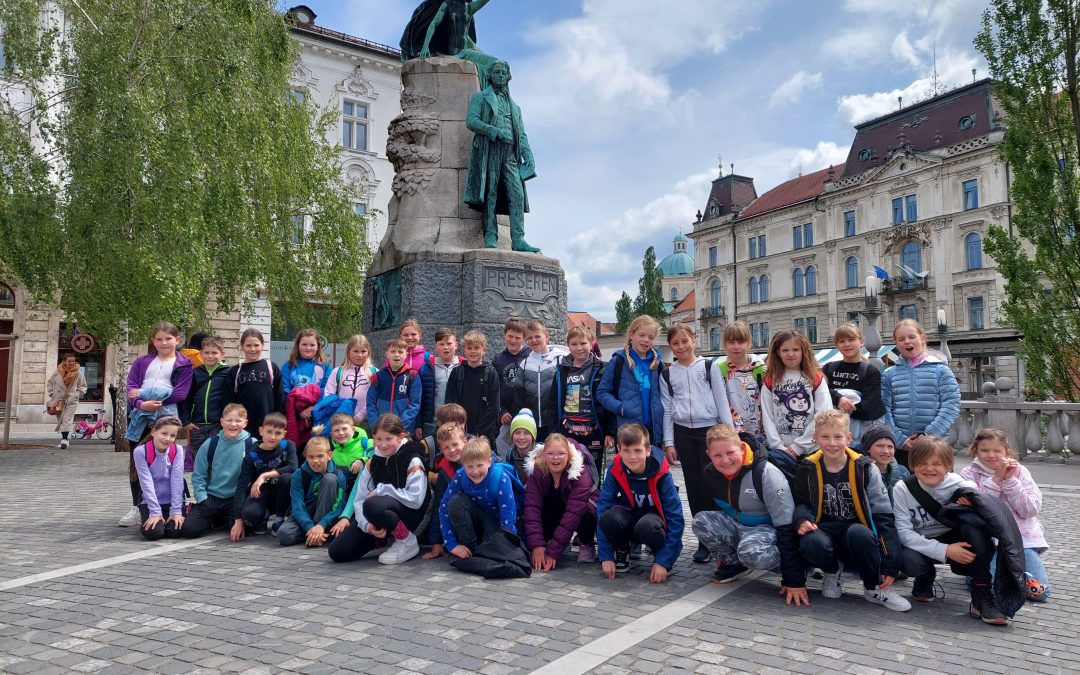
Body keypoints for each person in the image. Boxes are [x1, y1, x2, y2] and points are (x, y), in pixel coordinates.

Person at [793, 410, 909, 611]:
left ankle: (873, 586)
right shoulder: (807, 467)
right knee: (811, 541)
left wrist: (891, 563)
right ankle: (831, 572)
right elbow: (800, 502)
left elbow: (883, 516)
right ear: (815, 438)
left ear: (848, 438)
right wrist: (801, 518)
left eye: (838, 437)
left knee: (861, 534)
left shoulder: (865, 468)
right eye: (825, 437)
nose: (832, 443)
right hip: (824, 528)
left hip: (854, 530)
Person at [893, 436, 1010, 624]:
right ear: (913, 464)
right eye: (922, 463)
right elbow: (903, 532)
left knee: (975, 527)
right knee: (908, 561)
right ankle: (925, 575)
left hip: (958, 540)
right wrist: (945, 551)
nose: (929, 469)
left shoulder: (961, 484)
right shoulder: (903, 488)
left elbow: (991, 516)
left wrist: (973, 504)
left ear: (948, 465)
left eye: (937, 463)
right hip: (924, 544)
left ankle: (981, 593)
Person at [691, 425, 806, 603]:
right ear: (708, 455)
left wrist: (794, 579)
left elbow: (786, 526)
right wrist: (722, 552)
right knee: (701, 521)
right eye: (717, 456)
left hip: (769, 529)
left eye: (730, 452)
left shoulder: (767, 474)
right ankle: (734, 564)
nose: (725, 460)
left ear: (743, 448)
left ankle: (796, 565)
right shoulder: (710, 473)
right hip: (738, 525)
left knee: (750, 553)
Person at [660, 325, 734, 564]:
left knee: (714, 485)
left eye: (685, 341)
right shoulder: (668, 374)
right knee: (694, 488)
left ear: (693, 340)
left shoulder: (708, 367)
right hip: (683, 433)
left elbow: (721, 400)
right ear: (670, 346)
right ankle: (704, 540)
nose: (681, 347)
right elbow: (668, 409)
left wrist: (730, 434)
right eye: (675, 343)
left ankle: (723, 539)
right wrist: (669, 442)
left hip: (709, 430)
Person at [960, 428, 1049, 601]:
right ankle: (990, 574)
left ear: (1006, 452)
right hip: (989, 541)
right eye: (984, 450)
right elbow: (981, 507)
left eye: (997, 451)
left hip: (1022, 540)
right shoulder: (968, 474)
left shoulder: (1020, 472)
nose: (991, 455)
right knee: (990, 587)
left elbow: (1029, 509)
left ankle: (1016, 572)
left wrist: (1009, 481)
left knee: (1040, 592)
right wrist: (996, 479)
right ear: (975, 451)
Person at [327, 414, 431, 564]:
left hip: (410, 515)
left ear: (400, 437)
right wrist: (368, 526)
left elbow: (415, 500)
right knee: (337, 552)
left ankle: (406, 541)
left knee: (373, 504)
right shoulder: (373, 461)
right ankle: (381, 540)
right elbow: (359, 500)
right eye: (378, 439)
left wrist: (382, 490)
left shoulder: (413, 459)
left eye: (388, 439)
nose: (383, 445)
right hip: (379, 515)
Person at [119, 321, 194, 528]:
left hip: (166, 417)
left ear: (177, 340)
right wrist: (141, 403)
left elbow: (180, 393)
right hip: (141, 416)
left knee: (168, 462)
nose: (164, 343)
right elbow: (130, 389)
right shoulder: (142, 362)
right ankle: (137, 506)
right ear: (153, 341)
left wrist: (145, 395)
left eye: (168, 339)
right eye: (159, 339)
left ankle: (170, 504)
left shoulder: (184, 364)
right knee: (137, 462)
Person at [464, 60, 540, 252]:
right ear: (490, 75)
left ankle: (518, 239)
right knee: (490, 193)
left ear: (508, 77)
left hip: (510, 154)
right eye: (496, 72)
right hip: (490, 149)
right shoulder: (480, 97)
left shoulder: (515, 107)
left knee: (517, 195)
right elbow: (471, 121)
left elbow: (521, 135)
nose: (499, 75)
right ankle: (490, 235)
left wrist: (529, 157)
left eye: (503, 73)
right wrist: (493, 131)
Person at [597, 423, 683, 584]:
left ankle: (659, 553)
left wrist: (664, 561)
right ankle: (622, 549)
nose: (632, 457)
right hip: (630, 517)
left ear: (648, 450)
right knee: (608, 517)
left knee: (647, 525)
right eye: (626, 451)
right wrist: (606, 556)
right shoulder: (615, 469)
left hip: (653, 522)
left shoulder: (662, 474)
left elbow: (676, 517)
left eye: (638, 450)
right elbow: (603, 507)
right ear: (619, 449)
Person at [881, 319, 961, 468]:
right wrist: (900, 439)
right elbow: (884, 408)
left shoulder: (941, 371)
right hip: (900, 448)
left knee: (936, 486)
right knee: (902, 488)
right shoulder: (889, 374)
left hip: (934, 445)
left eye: (911, 337)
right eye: (901, 339)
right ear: (896, 343)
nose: (907, 341)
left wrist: (928, 435)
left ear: (922, 338)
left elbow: (951, 405)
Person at [760, 330, 831, 477]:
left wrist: (797, 448)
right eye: (785, 350)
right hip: (780, 451)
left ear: (803, 351)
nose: (790, 354)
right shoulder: (771, 379)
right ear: (778, 352)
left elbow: (823, 415)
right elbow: (767, 415)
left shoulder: (815, 377)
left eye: (795, 349)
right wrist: (778, 447)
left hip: (811, 449)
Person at [524, 433, 598, 569]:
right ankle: (552, 540)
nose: (556, 458)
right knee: (539, 510)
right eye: (550, 454)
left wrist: (553, 552)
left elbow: (573, 513)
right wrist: (537, 545)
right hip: (557, 509)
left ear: (569, 455)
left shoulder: (580, 471)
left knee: (585, 511)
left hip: (581, 511)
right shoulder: (537, 471)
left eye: (561, 454)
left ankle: (587, 542)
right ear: (543, 455)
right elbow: (531, 508)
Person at [181, 404, 254, 538]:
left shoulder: (252, 444)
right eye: (229, 420)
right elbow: (198, 475)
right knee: (189, 530)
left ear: (245, 423)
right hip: (212, 497)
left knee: (244, 532)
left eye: (238, 421)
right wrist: (202, 498)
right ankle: (216, 518)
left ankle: (224, 519)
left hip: (237, 498)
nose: (233, 424)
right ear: (221, 422)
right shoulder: (210, 444)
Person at [439, 437, 519, 558]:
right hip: (477, 517)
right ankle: (470, 549)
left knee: (494, 552)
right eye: (469, 467)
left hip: (496, 521)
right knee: (455, 502)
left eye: (479, 465)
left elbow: (508, 517)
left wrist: (507, 546)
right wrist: (451, 544)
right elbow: (444, 506)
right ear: (463, 465)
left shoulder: (501, 478)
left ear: (489, 462)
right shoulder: (461, 475)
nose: (475, 471)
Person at [553, 325, 614, 477]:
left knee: (594, 471)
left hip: (594, 429)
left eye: (583, 343)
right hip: (568, 428)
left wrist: (610, 431)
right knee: (569, 470)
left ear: (592, 344)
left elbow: (609, 402)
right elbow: (553, 403)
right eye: (574, 344)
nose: (579, 348)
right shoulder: (561, 371)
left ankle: (593, 500)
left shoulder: (602, 369)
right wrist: (554, 431)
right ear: (568, 345)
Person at [597, 315, 665, 446]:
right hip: (628, 429)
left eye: (650, 337)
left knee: (652, 466)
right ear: (631, 335)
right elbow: (602, 392)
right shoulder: (618, 362)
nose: (646, 340)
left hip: (653, 429)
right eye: (642, 335)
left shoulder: (657, 364)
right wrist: (620, 408)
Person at [230, 412, 298, 541]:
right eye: (269, 431)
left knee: (287, 477)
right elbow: (241, 487)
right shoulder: (251, 455)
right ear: (261, 431)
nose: (273, 436)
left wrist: (264, 476)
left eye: (278, 433)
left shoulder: (287, 446)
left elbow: (293, 467)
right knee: (249, 514)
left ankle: (279, 518)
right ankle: (263, 516)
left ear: (284, 434)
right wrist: (238, 520)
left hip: (283, 492)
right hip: (263, 493)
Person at [822, 323, 885, 446]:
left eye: (851, 339)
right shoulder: (829, 368)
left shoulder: (871, 371)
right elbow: (819, 392)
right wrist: (839, 399)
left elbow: (869, 408)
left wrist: (837, 405)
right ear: (836, 345)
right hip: (833, 433)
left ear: (861, 342)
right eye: (842, 341)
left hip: (860, 434)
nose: (846, 344)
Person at [278, 436, 347, 548]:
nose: (315, 461)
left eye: (320, 456)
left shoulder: (339, 475)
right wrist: (310, 527)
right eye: (311, 457)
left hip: (327, 516)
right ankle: (316, 535)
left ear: (330, 455)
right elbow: (297, 506)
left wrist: (321, 524)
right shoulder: (299, 474)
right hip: (306, 514)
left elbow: (339, 505)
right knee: (284, 534)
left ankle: (318, 532)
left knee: (330, 479)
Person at [179, 336, 230, 472]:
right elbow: (186, 399)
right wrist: (186, 421)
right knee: (198, 463)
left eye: (214, 353)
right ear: (201, 354)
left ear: (222, 354)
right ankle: (200, 492)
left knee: (216, 462)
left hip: (217, 425)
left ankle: (214, 492)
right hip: (197, 425)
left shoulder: (227, 373)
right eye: (206, 352)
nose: (210, 356)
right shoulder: (195, 373)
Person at [132, 416, 186, 541]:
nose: (168, 439)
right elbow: (146, 482)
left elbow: (177, 480)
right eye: (164, 433)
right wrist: (155, 512)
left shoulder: (177, 450)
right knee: (153, 533)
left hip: (172, 502)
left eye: (172, 435)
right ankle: (148, 517)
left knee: (176, 531)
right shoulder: (140, 452)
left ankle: (171, 517)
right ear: (153, 431)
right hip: (150, 502)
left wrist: (176, 511)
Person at [444, 330, 500, 450]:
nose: (473, 351)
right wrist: (457, 427)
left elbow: (494, 406)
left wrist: (479, 431)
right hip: (459, 431)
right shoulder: (457, 372)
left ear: (484, 349)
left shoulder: (491, 373)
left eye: (476, 348)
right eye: (469, 348)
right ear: (464, 350)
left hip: (484, 433)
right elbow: (449, 403)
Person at [514, 320, 568, 443]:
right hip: (532, 422)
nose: (534, 340)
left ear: (546, 336)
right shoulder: (525, 363)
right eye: (530, 338)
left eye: (537, 336)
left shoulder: (560, 359)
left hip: (554, 421)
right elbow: (518, 395)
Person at [226, 329, 284, 437]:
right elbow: (228, 400)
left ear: (262, 345)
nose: (253, 349)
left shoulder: (271, 367)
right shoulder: (235, 371)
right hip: (242, 427)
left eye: (256, 345)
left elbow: (279, 397)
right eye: (248, 345)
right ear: (242, 346)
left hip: (268, 426)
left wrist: (279, 421)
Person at [420, 422, 466, 559]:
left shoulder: (481, 459)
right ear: (441, 449)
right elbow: (439, 506)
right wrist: (436, 542)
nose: (452, 450)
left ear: (465, 441)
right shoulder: (444, 474)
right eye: (446, 447)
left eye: (455, 444)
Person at [718, 321, 767, 441]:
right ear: (725, 344)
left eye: (740, 342)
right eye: (731, 342)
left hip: (760, 431)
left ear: (749, 343)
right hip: (732, 432)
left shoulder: (761, 368)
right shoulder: (719, 370)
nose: (736, 346)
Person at [281, 328, 330, 446]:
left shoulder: (326, 365)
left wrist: (313, 407)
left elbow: (328, 389)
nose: (308, 348)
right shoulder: (288, 365)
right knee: (295, 448)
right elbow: (285, 390)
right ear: (298, 345)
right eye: (304, 344)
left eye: (312, 345)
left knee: (316, 447)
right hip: (295, 414)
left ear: (318, 346)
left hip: (318, 415)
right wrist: (300, 409)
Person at [367, 338, 422, 433]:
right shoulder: (377, 377)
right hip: (381, 429)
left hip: (404, 429)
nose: (396, 354)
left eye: (400, 352)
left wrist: (401, 425)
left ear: (406, 354)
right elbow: (370, 403)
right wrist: (375, 425)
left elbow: (415, 403)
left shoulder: (412, 376)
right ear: (387, 354)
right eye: (393, 351)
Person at [322, 334, 378, 427]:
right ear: (348, 352)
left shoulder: (374, 372)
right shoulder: (337, 372)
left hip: (366, 422)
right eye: (355, 351)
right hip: (340, 421)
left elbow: (376, 398)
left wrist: (361, 416)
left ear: (368, 352)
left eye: (363, 351)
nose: (359, 355)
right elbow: (328, 397)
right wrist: (340, 416)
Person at [493, 317, 531, 449]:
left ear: (524, 338)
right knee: (505, 451)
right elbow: (494, 390)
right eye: (510, 336)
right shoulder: (498, 360)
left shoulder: (530, 356)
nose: (513, 340)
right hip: (506, 416)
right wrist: (501, 411)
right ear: (504, 335)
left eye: (517, 337)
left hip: (527, 414)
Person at [396, 319, 436, 440]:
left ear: (420, 335)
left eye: (413, 334)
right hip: (399, 410)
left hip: (421, 410)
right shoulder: (395, 357)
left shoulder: (428, 358)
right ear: (400, 336)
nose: (410, 338)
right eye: (405, 335)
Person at [46, 353, 87, 449]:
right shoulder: (57, 373)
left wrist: (76, 395)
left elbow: (83, 386)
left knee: (66, 419)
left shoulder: (78, 374)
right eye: (69, 361)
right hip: (58, 401)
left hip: (71, 400)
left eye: (73, 361)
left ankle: (64, 440)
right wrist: (52, 394)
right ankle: (64, 439)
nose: (72, 363)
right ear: (64, 361)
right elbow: (49, 383)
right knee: (60, 419)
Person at [860, 425, 909, 503]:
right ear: (868, 448)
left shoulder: (903, 472)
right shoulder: (861, 473)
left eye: (890, 447)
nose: (886, 451)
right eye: (879, 446)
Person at [426, 328, 461, 434]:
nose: (445, 347)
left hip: (458, 421)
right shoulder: (428, 367)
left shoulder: (464, 365)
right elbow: (423, 397)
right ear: (436, 347)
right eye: (441, 344)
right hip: (434, 421)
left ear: (456, 345)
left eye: (449, 343)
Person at [329, 412, 374, 493]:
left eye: (344, 429)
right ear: (331, 434)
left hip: (362, 493)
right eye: (336, 430)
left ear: (353, 429)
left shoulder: (366, 443)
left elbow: (380, 454)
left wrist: (362, 460)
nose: (341, 433)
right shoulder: (332, 452)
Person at [506, 408, 541, 485]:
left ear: (533, 436)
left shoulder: (541, 454)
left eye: (526, 433)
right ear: (512, 436)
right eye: (517, 433)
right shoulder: (510, 455)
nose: (521, 437)